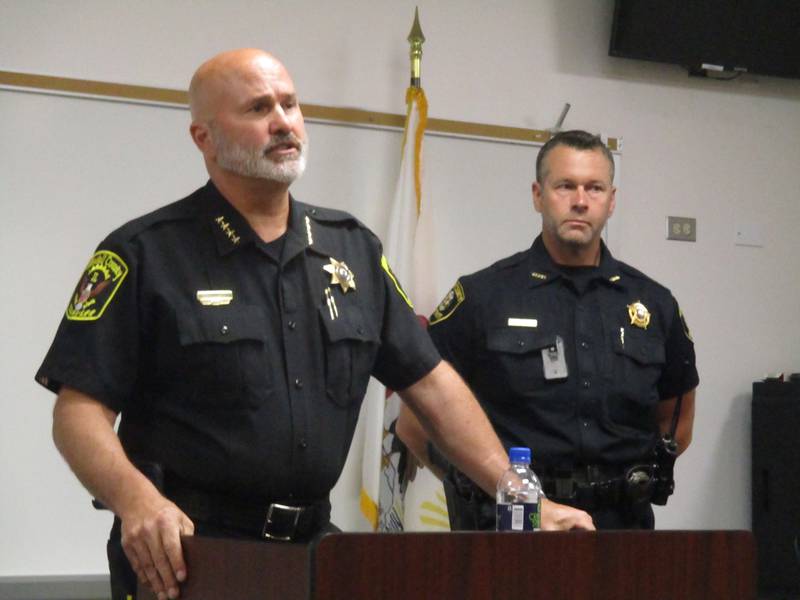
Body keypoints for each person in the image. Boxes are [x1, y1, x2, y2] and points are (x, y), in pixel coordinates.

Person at [35, 50, 593, 600]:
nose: (282, 122)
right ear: (203, 138)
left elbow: (433, 385)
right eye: (258, 109)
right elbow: (78, 411)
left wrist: (520, 496)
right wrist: (135, 500)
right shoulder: (146, 254)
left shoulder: (350, 250)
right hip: (191, 557)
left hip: (315, 556)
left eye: (290, 104)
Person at [398, 129, 698, 531]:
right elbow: (415, 423)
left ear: (612, 202)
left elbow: (676, 421)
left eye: (594, 188)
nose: (579, 200)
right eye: (565, 186)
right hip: (511, 529)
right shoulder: (482, 297)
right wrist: (481, 486)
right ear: (538, 195)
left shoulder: (654, 304)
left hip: (621, 532)